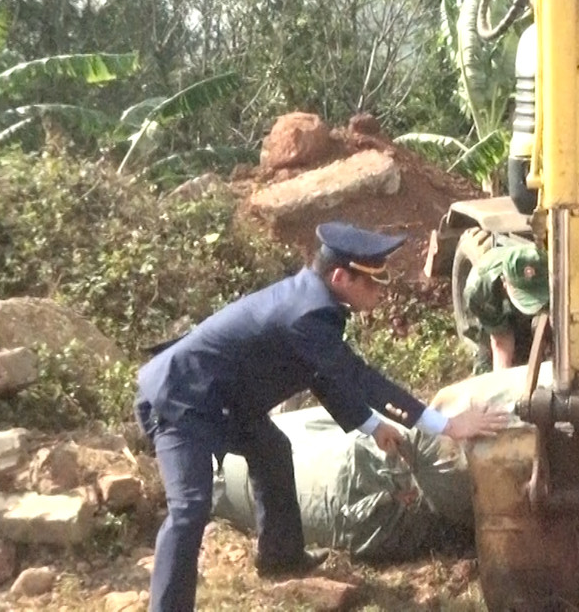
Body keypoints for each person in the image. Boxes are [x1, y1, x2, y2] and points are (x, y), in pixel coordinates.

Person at [134, 222, 509, 612]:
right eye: (373, 284)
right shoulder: (308, 313)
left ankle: (281, 557)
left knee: (273, 451)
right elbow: (356, 376)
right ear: (340, 277)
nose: (381, 293)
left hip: (227, 402)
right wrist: (445, 424)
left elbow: (321, 375)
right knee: (190, 506)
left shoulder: (314, 303)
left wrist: (372, 425)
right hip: (182, 400)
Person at [462, 243, 549, 373]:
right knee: (488, 366)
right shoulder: (480, 288)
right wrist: (502, 381)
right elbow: (501, 342)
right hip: (494, 311)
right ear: (504, 282)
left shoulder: (550, 266)